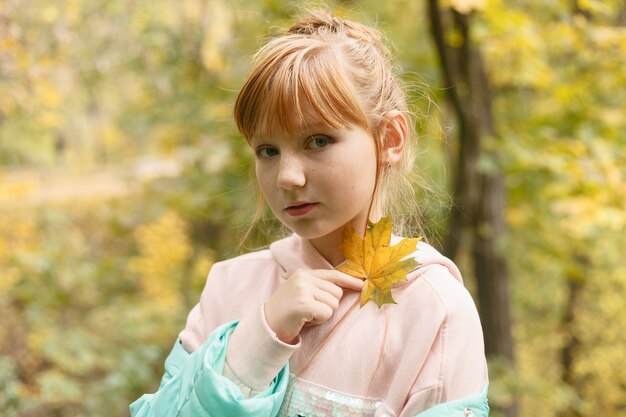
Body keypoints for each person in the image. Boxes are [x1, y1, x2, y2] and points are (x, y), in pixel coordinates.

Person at [130, 9, 489, 417]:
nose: (287, 176)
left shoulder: (434, 309)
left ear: (390, 138)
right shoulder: (230, 286)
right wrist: (258, 339)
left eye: (318, 140)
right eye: (268, 150)